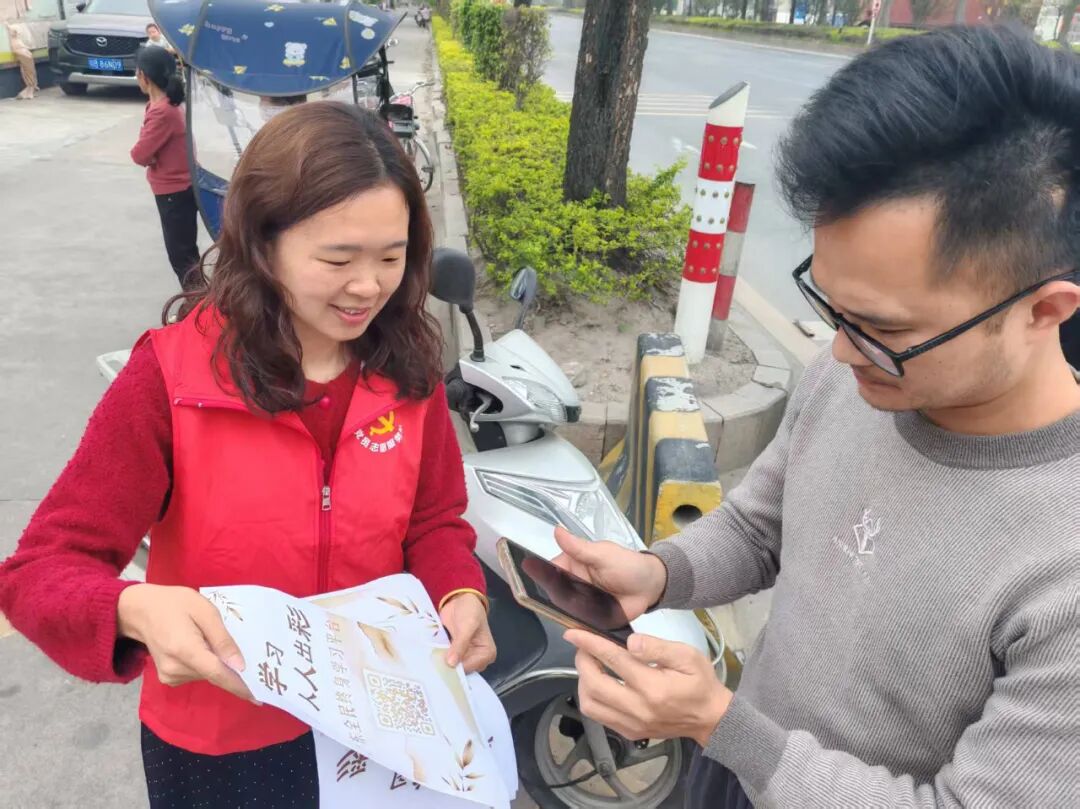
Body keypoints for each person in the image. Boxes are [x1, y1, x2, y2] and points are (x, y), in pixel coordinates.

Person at [549, 25, 1080, 808]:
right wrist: (658, 574)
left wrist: (720, 723)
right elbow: (760, 527)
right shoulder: (862, 375)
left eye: (883, 328)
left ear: (1045, 309)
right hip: (732, 768)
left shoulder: (1063, 561)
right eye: (830, 305)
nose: (838, 350)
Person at [0, 102, 496, 807]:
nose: (368, 287)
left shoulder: (405, 365)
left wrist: (460, 592)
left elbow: (435, 519)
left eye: (391, 257)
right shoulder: (171, 380)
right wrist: (134, 607)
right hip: (220, 744)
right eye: (338, 259)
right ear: (263, 243)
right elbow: (41, 570)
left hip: (379, 728)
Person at [131, 46, 200, 289]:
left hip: (174, 191)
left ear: (143, 76)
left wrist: (152, 158)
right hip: (178, 187)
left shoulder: (163, 112)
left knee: (181, 255)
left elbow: (139, 154)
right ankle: (198, 299)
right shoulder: (166, 104)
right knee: (185, 252)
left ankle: (197, 301)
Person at [7, 23, 39, 100]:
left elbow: (21, 49)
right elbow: (18, 50)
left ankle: (30, 91)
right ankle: (29, 91)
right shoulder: (14, 40)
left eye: (11, 31)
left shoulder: (15, 40)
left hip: (27, 57)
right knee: (28, 72)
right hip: (26, 57)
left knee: (29, 72)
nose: (9, 32)